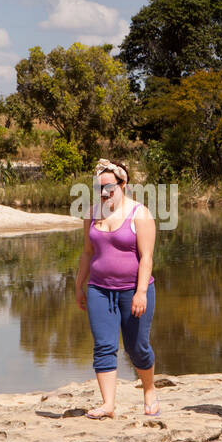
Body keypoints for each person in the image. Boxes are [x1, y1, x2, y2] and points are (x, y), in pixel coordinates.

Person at [74, 158, 159, 419]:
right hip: (99, 289)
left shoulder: (140, 213)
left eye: (109, 187)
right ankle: (108, 404)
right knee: (103, 345)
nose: (104, 193)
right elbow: (88, 252)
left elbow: (146, 257)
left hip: (133, 290)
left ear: (124, 185)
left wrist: (141, 291)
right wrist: (79, 285)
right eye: (99, 188)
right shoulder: (91, 213)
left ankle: (149, 389)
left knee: (137, 347)